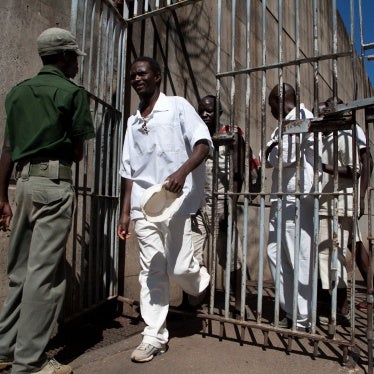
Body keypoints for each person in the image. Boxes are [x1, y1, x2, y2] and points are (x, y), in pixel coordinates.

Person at [0, 28, 95, 374]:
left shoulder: (17, 93)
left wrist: (2, 197)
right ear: (66, 57)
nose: (76, 67)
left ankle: (4, 351)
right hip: (53, 185)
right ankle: (29, 364)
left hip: (21, 184)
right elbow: (78, 151)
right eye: (75, 60)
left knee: (20, 273)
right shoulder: (71, 93)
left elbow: (8, 148)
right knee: (45, 277)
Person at [117, 56, 212, 363]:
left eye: (142, 73)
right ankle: (154, 335)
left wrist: (182, 172)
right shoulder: (133, 123)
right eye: (132, 75)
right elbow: (129, 170)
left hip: (178, 203)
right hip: (145, 205)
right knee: (151, 270)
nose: (136, 78)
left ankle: (199, 280)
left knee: (180, 268)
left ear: (157, 76)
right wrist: (126, 211)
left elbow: (203, 144)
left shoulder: (178, 107)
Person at [191, 95, 260, 313]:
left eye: (209, 110)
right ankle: (193, 300)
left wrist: (231, 204)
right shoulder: (194, 134)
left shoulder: (231, 134)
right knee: (190, 254)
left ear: (219, 112)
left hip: (222, 202)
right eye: (201, 110)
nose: (205, 114)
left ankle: (239, 303)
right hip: (197, 202)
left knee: (230, 256)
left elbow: (239, 171)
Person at [265, 83, 319, 331]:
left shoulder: (300, 117)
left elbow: (283, 157)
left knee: (299, 256)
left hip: (297, 197)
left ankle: (303, 318)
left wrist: (271, 150)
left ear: (278, 100)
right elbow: (270, 156)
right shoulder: (284, 124)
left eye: (270, 106)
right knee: (276, 254)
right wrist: (272, 150)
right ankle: (290, 311)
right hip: (281, 196)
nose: (271, 111)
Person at [318, 97, 373, 317]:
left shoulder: (350, 132)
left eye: (322, 110)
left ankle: (341, 306)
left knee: (338, 251)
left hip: (342, 201)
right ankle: (337, 303)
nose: (318, 114)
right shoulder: (328, 135)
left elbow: (364, 164)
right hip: (333, 201)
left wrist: (360, 196)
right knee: (349, 246)